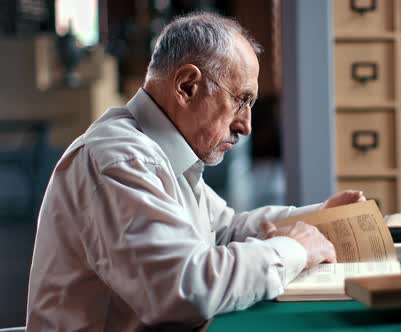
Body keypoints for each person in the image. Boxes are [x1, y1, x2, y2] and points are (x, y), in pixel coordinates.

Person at [26, 12, 365, 331]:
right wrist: (294, 250)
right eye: (241, 100)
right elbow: (184, 289)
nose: (246, 125)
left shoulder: (159, 151)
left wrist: (318, 219)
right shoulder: (121, 159)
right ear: (187, 86)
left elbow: (223, 230)